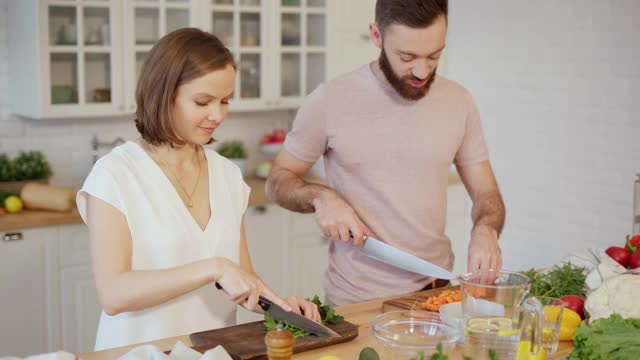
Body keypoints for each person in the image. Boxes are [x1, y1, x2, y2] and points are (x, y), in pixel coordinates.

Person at [77, 28, 320, 351]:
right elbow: (113, 294)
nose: (217, 115)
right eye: (203, 101)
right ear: (164, 95)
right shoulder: (114, 175)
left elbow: (241, 279)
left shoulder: (227, 175)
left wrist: (282, 308)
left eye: (225, 101)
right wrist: (213, 267)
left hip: (212, 354)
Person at [266, 0, 505, 306]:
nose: (421, 71)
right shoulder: (330, 101)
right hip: (358, 301)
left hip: (437, 291)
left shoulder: (459, 101)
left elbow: (487, 193)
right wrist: (321, 197)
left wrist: (486, 229)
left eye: (434, 56)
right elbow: (277, 181)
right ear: (376, 36)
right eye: (407, 57)